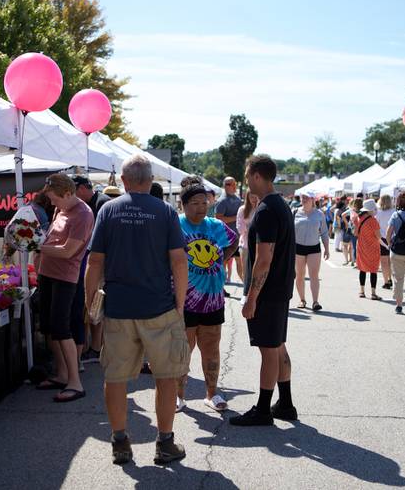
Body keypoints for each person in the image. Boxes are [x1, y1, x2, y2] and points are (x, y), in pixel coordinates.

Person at [85, 154, 190, 465]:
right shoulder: (165, 212)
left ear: (126, 181)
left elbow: (95, 262)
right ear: (151, 181)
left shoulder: (108, 210)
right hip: (159, 307)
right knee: (166, 376)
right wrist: (180, 304)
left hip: (118, 309)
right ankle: (164, 443)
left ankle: (120, 442)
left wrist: (90, 302)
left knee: (116, 378)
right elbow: (179, 262)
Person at [230, 155, 297, 427]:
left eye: (247, 176)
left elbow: (264, 258)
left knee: (269, 350)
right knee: (278, 346)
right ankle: (285, 403)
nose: (246, 181)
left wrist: (251, 298)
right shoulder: (280, 204)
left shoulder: (268, 209)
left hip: (268, 292)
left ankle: (263, 409)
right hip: (280, 289)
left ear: (257, 176)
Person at [176, 182, 237, 412]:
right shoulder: (176, 226)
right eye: (195, 203)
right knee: (183, 350)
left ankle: (212, 393)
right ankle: (179, 395)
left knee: (211, 348)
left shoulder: (215, 225)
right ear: (183, 205)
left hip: (213, 299)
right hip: (184, 300)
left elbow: (233, 242)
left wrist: (222, 260)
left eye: (204, 202)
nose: (201, 208)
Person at [34, 174, 94, 402]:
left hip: (65, 277)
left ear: (68, 194)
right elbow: (53, 239)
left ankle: (75, 382)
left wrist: (36, 246)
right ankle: (61, 375)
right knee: (50, 327)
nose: (52, 204)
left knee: (61, 327)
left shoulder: (83, 214)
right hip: (48, 274)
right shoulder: (62, 209)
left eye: (55, 199)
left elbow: (69, 251)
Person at [72, 176, 111, 366]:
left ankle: (96, 348)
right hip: (96, 264)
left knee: (95, 305)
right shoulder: (95, 204)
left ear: (81, 188)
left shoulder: (102, 204)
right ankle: (95, 346)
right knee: (94, 307)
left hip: (101, 265)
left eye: (73, 190)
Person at [293, 194, 330, 311]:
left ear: (313, 200)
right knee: (299, 275)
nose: (303, 200)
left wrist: (327, 248)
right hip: (298, 247)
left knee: (314, 275)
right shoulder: (295, 212)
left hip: (314, 247)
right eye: (302, 198)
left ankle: (315, 302)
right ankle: (302, 299)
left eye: (306, 198)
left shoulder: (319, 214)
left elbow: (324, 233)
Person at [215, 177, 244, 284]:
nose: (231, 186)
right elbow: (218, 218)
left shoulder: (237, 199)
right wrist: (236, 217)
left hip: (237, 237)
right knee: (223, 263)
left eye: (233, 184)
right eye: (228, 184)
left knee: (239, 262)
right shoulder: (222, 201)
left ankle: (246, 288)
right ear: (224, 186)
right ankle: (220, 287)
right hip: (225, 238)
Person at [355, 199, 382, 300]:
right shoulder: (373, 220)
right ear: (370, 210)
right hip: (373, 247)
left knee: (362, 269)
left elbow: (356, 233)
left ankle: (362, 291)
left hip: (361, 246)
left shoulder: (359, 218)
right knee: (373, 270)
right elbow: (378, 236)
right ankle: (373, 293)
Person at [236, 190, 260, 286]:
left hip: (259, 245)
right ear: (247, 197)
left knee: (258, 270)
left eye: (255, 196)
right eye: (251, 197)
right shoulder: (242, 209)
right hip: (245, 245)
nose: (254, 199)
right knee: (246, 271)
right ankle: (246, 291)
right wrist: (250, 228)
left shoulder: (261, 209)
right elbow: (239, 228)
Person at [376, 194, 394, 290]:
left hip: (382, 238)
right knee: (390, 260)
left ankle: (386, 281)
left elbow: (376, 226)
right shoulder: (394, 211)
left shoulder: (378, 213)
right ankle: (390, 278)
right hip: (392, 238)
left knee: (384, 261)